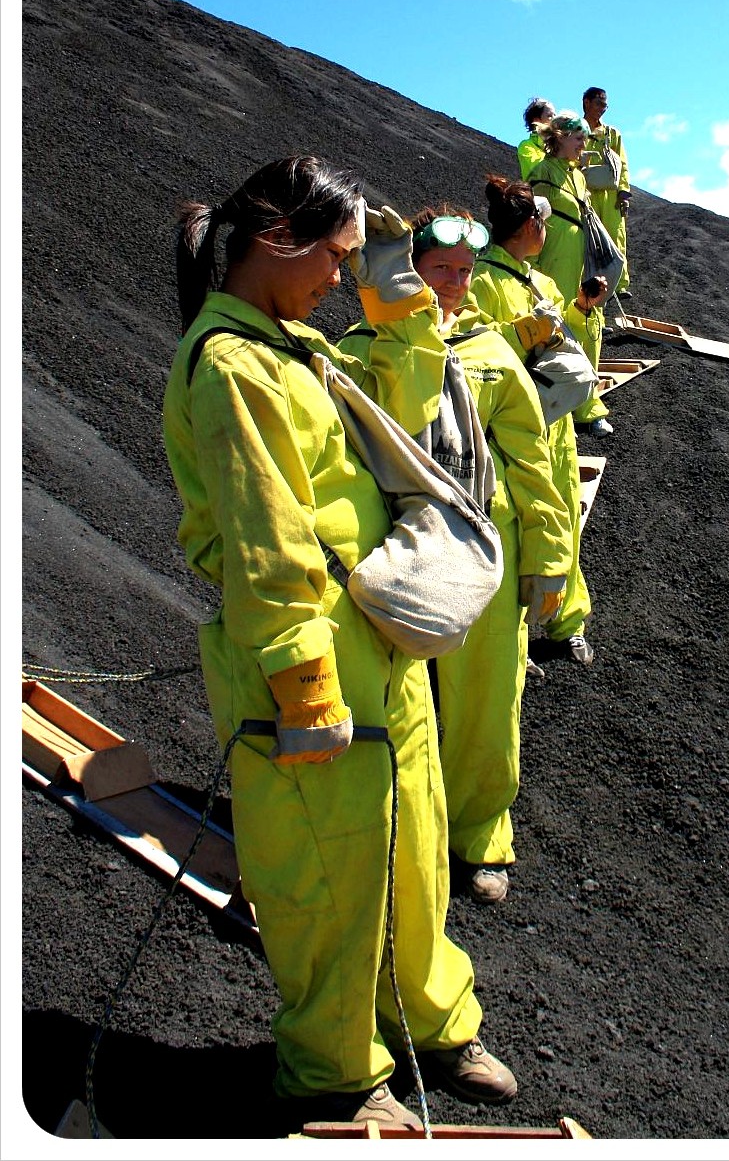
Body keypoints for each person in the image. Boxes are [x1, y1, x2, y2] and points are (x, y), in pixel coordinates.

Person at [162, 156, 516, 1129]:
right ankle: (335, 1071)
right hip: (309, 661)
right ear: (280, 236)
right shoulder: (233, 365)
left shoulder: (293, 348)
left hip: (379, 648)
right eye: (340, 255)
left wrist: (398, 297)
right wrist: (306, 687)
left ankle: (433, 1021)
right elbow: (266, 545)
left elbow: (402, 405)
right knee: (329, 873)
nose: (341, 276)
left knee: (415, 843)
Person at [341, 205, 571, 907]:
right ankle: (392, 830)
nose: (454, 283)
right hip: (394, 549)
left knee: (486, 702)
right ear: (411, 267)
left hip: (479, 549)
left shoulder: (492, 352)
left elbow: (535, 461)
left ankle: (479, 836)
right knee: (393, 697)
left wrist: (550, 557)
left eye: (465, 271)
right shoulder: (361, 345)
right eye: (440, 269)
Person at [461, 176, 600, 668]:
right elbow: (472, 345)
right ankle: (514, 644)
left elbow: (571, 339)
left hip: (556, 425)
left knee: (563, 520)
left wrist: (581, 309)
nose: (546, 231)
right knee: (519, 530)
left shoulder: (541, 282)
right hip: (515, 428)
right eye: (541, 222)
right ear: (528, 226)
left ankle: (567, 622)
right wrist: (524, 331)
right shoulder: (482, 281)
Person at [526, 114, 614, 437]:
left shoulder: (578, 176)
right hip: (553, 258)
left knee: (589, 322)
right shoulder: (542, 173)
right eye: (579, 138)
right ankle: (557, 407)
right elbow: (532, 221)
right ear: (561, 136)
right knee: (557, 324)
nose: (583, 145)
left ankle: (586, 406)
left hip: (581, 257)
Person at [581, 86, 632, 297]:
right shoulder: (576, 130)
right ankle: (590, 282)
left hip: (610, 194)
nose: (604, 108)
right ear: (587, 103)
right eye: (600, 103)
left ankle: (619, 285)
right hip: (587, 193)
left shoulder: (613, 134)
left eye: (605, 104)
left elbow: (623, 164)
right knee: (589, 238)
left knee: (615, 236)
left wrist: (623, 191)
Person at [516, 97, 555, 180]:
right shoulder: (526, 146)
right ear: (536, 120)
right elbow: (540, 170)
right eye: (550, 116)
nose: (555, 120)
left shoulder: (559, 145)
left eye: (555, 115)